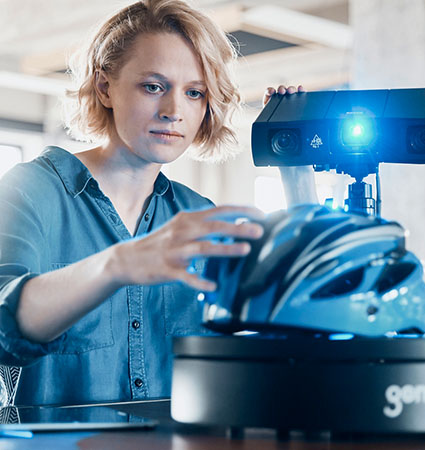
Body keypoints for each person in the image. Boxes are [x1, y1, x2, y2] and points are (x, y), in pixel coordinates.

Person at [0, 0, 317, 406]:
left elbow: (298, 325)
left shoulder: (198, 216)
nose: (173, 111)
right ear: (105, 87)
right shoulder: (32, 189)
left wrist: (298, 178)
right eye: (154, 86)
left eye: (194, 93)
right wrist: (118, 264)